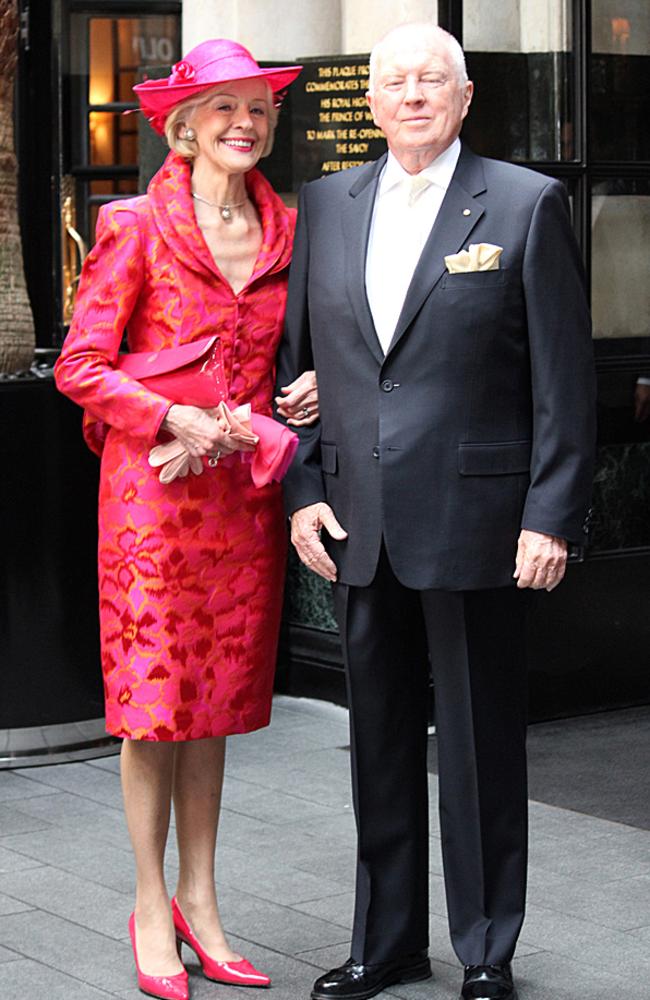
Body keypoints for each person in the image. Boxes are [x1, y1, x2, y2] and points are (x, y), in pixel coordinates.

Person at [276, 22, 595, 1000]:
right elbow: (295, 368)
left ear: (463, 100)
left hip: (479, 524)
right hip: (357, 524)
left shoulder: (524, 202)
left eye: (431, 80)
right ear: (369, 104)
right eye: (394, 81)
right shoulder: (325, 205)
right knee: (373, 742)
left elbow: (562, 380)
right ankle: (387, 942)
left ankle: (486, 948)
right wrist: (301, 494)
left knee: (477, 745)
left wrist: (549, 514)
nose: (411, 94)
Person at [55, 39, 315, 1000]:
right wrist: (170, 413)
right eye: (225, 109)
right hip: (152, 504)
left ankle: (203, 905)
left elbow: (296, 351)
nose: (244, 124)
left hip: (241, 503)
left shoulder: (291, 231)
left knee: (213, 714)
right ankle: (148, 904)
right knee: (156, 712)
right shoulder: (132, 224)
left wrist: (305, 393)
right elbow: (82, 365)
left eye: (259, 110)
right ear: (184, 125)